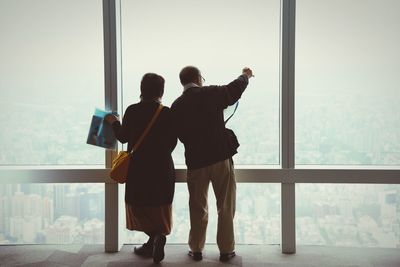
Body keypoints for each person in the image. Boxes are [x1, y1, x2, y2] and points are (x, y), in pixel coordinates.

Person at [171, 66, 253, 262]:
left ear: (183, 82)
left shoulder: (177, 105)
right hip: (219, 157)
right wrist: (245, 75)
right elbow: (234, 89)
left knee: (197, 206)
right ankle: (226, 250)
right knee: (225, 205)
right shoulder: (211, 93)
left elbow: (176, 135)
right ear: (199, 78)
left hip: (196, 161)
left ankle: (196, 249)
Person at [105, 73, 177, 263]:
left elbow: (123, 137)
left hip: (139, 168)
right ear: (161, 91)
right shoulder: (167, 113)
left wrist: (114, 123)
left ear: (142, 90)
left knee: (139, 205)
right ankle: (156, 238)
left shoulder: (133, 111)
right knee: (159, 205)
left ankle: (153, 238)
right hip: (162, 167)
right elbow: (172, 143)